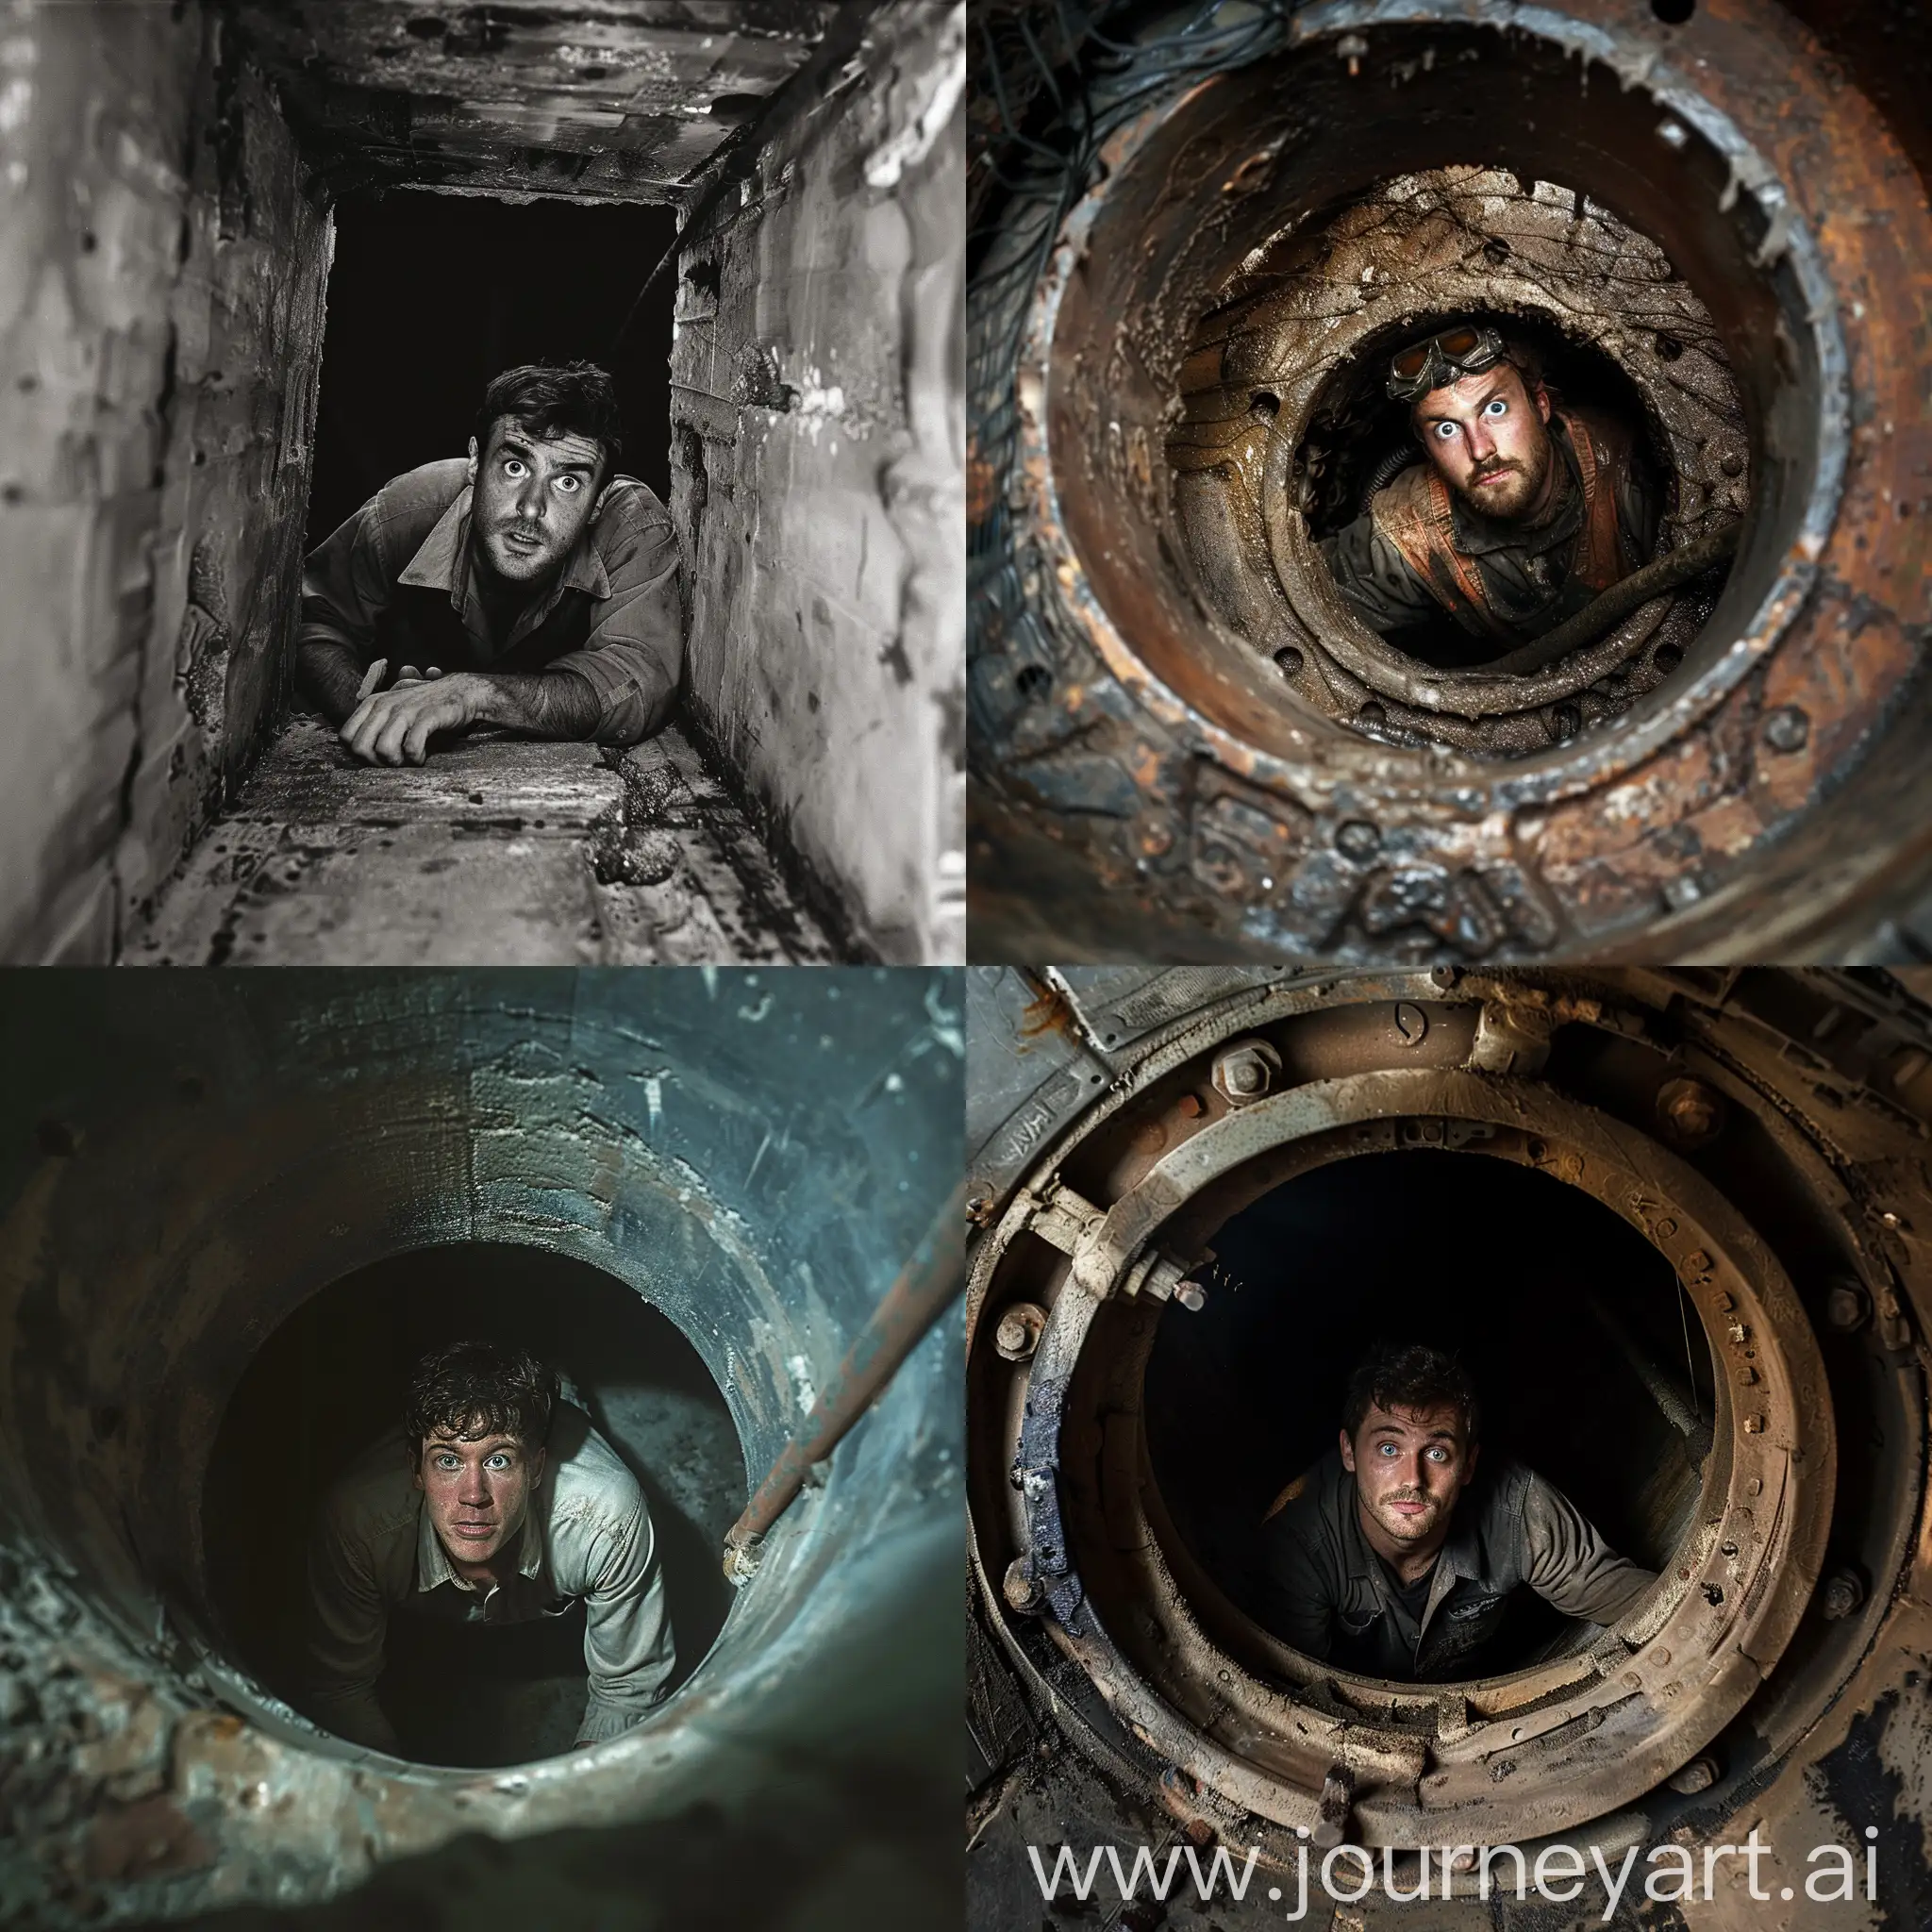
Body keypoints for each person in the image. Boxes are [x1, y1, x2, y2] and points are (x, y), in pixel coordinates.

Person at [298, 360, 684, 766]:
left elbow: (636, 681)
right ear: (475, 463)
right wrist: (375, 710)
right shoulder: (405, 511)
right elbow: (312, 620)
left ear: (597, 503)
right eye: (515, 467)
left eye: (567, 482)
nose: (532, 509)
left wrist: (472, 695)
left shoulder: (631, 528)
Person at [306, 1339, 675, 1755]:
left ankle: (564, 1386)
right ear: (416, 1470)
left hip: (564, 1449)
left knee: (559, 1401)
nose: (473, 1495)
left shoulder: (604, 1521)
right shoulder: (362, 1525)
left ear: (535, 1468)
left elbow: (627, 1691)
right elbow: (339, 1687)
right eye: (448, 1461)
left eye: (498, 1460)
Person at [1256, 1343, 1656, 1681]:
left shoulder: (1514, 1508)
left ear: (1467, 1465)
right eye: (1389, 1449)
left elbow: (1624, 1596)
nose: (1413, 1479)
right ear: (1349, 1452)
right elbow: (1292, 1689)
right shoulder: (1302, 1542)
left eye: (1436, 1452)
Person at [1318, 324, 1657, 651]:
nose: (1480, 450)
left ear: (1540, 405)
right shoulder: (1412, 528)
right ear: (1426, 448)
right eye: (1447, 430)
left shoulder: (1627, 470)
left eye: (1495, 409)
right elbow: (1304, 598)